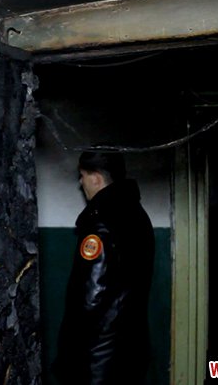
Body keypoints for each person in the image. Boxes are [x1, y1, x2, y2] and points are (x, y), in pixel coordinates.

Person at [54, 150, 155, 384]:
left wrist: (69, 353)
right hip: (130, 347)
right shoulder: (138, 215)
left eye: (83, 176)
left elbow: (92, 295)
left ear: (96, 178)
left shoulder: (100, 223)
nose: (81, 183)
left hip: (100, 356)